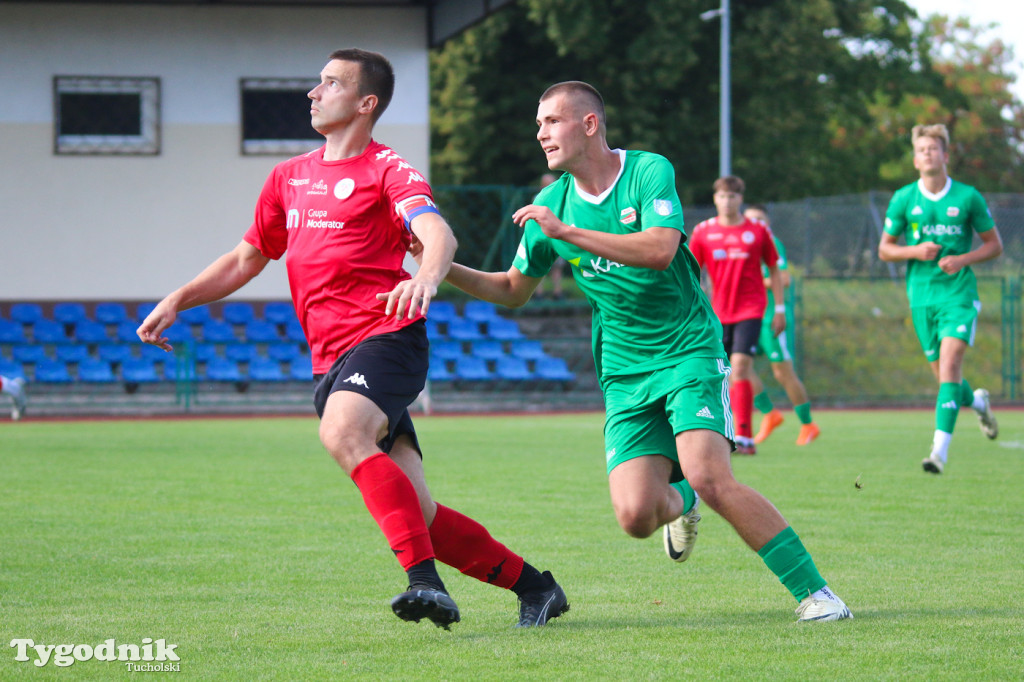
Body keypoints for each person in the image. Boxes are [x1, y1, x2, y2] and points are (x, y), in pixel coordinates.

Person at [137, 49, 567, 629]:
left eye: (330, 84)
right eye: (317, 82)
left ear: (367, 103)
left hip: (388, 339)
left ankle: (424, 584)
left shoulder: (388, 170)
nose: (314, 93)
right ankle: (537, 589)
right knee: (420, 515)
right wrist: (177, 299)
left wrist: (426, 277)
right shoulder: (287, 177)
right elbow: (246, 259)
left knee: (341, 431)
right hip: (331, 360)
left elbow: (437, 233)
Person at [439, 80, 851, 622]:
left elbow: (660, 250)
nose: (541, 133)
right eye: (538, 124)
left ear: (589, 125)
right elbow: (513, 289)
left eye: (552, 121)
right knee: (635, 516)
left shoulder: (646, 172)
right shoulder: (550, 205)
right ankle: (686, 500)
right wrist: (440, 268)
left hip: (687, 350)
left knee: (711, 474)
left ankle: (818, 596)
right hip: (624, 369)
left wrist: (570, 233)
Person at [879, 123, 1001, 474]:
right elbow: (885, 250)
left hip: (958, 294)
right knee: (946, 380)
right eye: (921, 150)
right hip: (921, 298)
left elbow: (995, 245)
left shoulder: (967, 196)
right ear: (915, 160)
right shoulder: (904, 198)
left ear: (945, 156)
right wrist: (915, 250)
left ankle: (938, 453)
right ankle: (977, 401)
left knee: (950, 368)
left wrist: (962, 259)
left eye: (933, 149)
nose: (927, 154)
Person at [688, 177, 785, 455]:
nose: (727, 201)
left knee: (740, 367)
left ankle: (744, 434)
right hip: (717, 313)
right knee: (720, 373)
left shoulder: (757, 231)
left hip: (751, 309)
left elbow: (774, 269)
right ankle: (722, 429)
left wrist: (778, 309)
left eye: (732, 196)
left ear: (740, 199)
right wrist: (694, 307)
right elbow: (692, 271)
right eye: (722, 196)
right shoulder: (703, 232)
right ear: (715, 198)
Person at [742, 204, 820, 447]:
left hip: (769, 316)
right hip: (746, 315)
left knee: (781, 372)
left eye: (760, 219)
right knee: (738, 368)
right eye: (751, 219)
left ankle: (808, 423)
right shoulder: (741, 243)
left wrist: (755, 281)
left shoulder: (772, 242)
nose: (756, 223)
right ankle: (769, 413)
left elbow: (783, 278)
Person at [534, 172, 567, 300]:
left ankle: (557, 292)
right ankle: (539, 293)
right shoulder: (539, 198)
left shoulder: (560, 198)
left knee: (557, 268)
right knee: (541, 267)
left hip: (556, 239)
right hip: (543, 239)